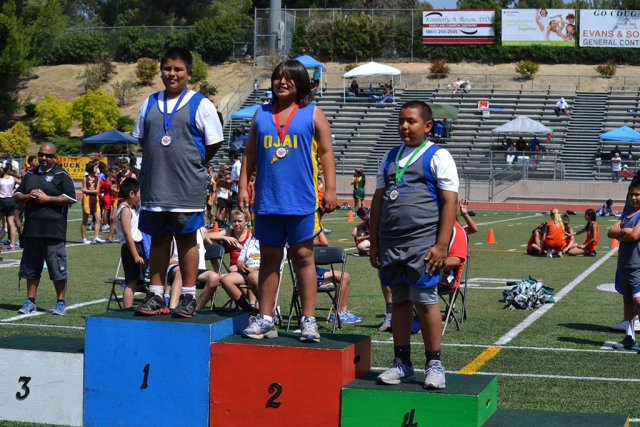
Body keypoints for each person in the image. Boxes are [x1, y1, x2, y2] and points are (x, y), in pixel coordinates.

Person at [238, 59, 337, 342]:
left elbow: (327, 153)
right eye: (277, 77)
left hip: (301, 200)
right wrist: (244, 187)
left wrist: (330, 189)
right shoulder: (261, 113)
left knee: (304, 258)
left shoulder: (312, 112)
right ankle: (266, 318)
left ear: (301, 83)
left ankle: (308, 321)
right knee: (269, 259)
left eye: (288, 78)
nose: (281, 82)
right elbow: (249, 154)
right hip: (268, 200)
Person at [370, 100, 458, 390]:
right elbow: (379, 201)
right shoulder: (389, 156)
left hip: (423, 242)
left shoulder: (438, 155)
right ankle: (402, 363)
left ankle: (434, 364)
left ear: (427, 126)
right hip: (392, 242)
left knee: (426, 300)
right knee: (400, 300)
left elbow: (449, 202)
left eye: (411, 121)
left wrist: (442, 244)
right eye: (401, 121)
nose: (404, 127)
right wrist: (375, 240)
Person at [132, 47, 224, 317]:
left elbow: (214, 142)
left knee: (186, 242)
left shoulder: (201, 104)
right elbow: (142, 138)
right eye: (167, 68)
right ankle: (155, 294)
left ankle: (187, 296)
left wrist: (193, 162)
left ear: (189, 73)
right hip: (154, 187)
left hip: (186, 188)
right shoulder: (149, 103)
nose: (172, 74)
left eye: (178, 69)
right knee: (159, 241)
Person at [15, 143, 76, 315]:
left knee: (57, 269)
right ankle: (30, 301)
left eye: (48, 156)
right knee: (30, 269)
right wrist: (28, 196)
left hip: (54, 231)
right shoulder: (29, 175)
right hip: (32, 231)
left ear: (54, 158)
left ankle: (61, 303)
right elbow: (16, 196)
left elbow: (71, 198)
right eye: (41, 154)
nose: (44, 158)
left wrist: (47, 198)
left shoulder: (62, 175)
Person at [608, 181, 640, 349]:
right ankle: (629, 337)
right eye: (632, 194)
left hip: (638, 265)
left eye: (637, 194)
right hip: (624, 265)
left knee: (638, 300)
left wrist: (625, 234)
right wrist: (624, 231)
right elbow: (610, 232)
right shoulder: (626, 214)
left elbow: (635, 236)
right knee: (627, 301)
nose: (634, 198)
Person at [314, 230, 362, 324]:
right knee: (343, 277)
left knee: (346, 276)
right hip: (310, 273)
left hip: (315, 269)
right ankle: (337, 313)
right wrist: (318, 228)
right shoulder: (303, 238)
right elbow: (324, 243)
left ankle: (342, 312)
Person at [115, 178, 147, 309]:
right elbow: (128, 235)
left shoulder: (131, 209)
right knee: (131, 282)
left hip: (137, 246)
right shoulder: (125, 210)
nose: (140, 197)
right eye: (139, 194)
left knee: (136, 281)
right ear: (131, 194)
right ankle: (126, 310)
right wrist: (135, 255)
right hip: (131, 248)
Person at [80, 161, 105, 244]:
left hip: (95, 199)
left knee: (98, 219)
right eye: (95, 168)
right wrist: (85, 205)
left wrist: (86, 190)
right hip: (87, 200)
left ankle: (96, 237)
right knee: (85, 220)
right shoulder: (85, 178)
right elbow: (84, 193)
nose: (97, 169)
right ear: (91, 169)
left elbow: (96, 191)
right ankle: (84, 238)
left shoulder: (97, 178)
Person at [0, 165, 18, 251]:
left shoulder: (1, 179)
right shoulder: (12, 178)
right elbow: (21, 183)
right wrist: (14, 191)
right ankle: (12, 245)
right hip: (11, 200)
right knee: (11, 223)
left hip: (2, 201)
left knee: (4, 222)